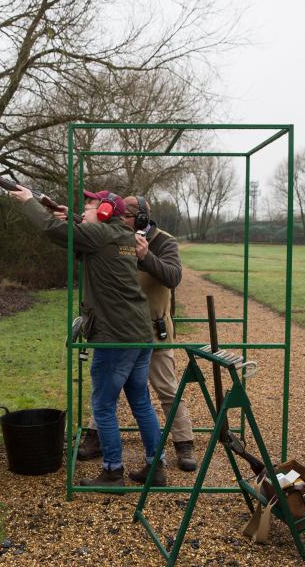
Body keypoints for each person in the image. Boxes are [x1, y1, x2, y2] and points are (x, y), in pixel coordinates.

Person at [8, 186, 167, 487]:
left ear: (105, 213)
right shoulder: (122, 236)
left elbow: (49, 229)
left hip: (116, 337)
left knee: (103, 405)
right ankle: (154, 466)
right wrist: (73, 217)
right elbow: (85, 231)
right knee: (141, 402)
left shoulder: (101, 236)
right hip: (140, 334)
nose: (84, 210)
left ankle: (112, 471)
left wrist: (28, 201)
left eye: (90, 207)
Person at [78, 195, 198, 473]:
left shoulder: (163, 241)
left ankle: (184, 443)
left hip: (154, 330)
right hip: (120, 329)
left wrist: (146, 256)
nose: (121, 221)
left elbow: (173, 276)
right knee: (107, 390)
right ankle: (95, 437)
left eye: (128, 217)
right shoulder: (112, 237)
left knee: (166, 388)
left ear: (142, 219)